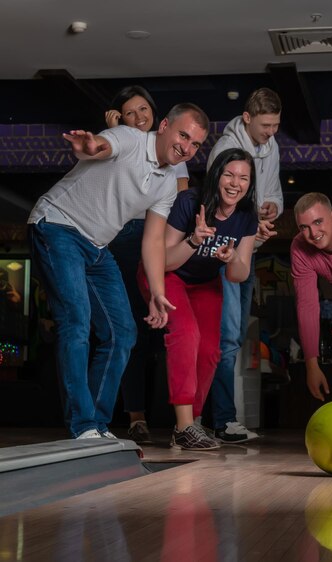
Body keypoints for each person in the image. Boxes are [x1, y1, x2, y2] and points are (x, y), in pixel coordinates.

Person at [28, 103, 209, 439]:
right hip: (56, 227)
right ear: (165, 125)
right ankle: (82, 426)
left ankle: (96, 422)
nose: (186, 147)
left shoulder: (169, 181)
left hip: (97, 247)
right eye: (183, 135)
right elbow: (105, 145)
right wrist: (93, 146)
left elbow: (154, 240)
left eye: (195, 144)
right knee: (77, 323)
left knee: (123, 333)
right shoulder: (130, 137)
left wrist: (157, 292)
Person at [138, 148, 257, 450]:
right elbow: (162, 261)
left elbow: (238, 275)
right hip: (167, 275)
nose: (235, 183)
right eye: (229, 174)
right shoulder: (190, 202)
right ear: (217, 175)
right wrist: (195, 240)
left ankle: (193, 423)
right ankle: (183, 426)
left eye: (243, 177)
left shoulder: (246, 216)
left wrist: (231, 258)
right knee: (186, 334)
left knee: (209, 351)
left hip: (205, 282)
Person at [105, 85, 191, 444]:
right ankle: (136, 416)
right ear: (119, 118)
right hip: (125, 238)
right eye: (129, 113)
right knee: (132, 331)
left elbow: (183, 199)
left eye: (144, 109)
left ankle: (181, 422)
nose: (139, 117)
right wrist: (112, 133)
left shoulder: (172, 146)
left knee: (169, 330)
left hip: (162, 240)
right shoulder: (119, 145)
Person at [200, 88, 283, 443]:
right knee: (227, 336)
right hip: (224, 252)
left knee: (233, 337)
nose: (271, 132)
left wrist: (271, 209)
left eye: (276, 125)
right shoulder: (224, 151)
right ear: (247, 119)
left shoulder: (271, 146)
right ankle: (222, 420)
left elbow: (273, 191)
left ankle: (217, 419)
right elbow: (219, 202)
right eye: (266, 125)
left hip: (250, 249)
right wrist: (251, 219)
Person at [290, 192, 332, 401]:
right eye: (304, 227)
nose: (312, 233)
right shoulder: (300, 247)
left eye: (318, 222)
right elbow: (307, 306)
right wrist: (311, 364)